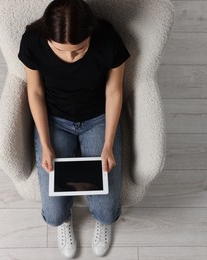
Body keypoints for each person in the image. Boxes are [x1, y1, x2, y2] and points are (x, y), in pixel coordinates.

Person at [17, 0, 130, 258]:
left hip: (98, 118)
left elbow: (114, 92)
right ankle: (66, 220)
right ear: (48, 38)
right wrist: (45, 144)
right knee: (54, 215)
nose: (70, 57)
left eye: (78, 50)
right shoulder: (32, 42)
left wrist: (108, 145)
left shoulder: (108, 41)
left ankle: (101, 219)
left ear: (90, 34)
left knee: (107, 212)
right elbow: (34, 92)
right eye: (61, 50)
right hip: (55, 120)